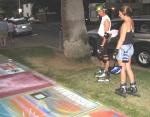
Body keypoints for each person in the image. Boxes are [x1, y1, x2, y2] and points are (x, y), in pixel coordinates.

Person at [113, 6, 140, 97]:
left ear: (124, 14)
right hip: (130, 47)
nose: (119, 15)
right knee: (128, 68)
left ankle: (123, 88)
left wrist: (116, 50)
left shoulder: (125, 24)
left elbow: (122, 39)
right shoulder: (131, 22)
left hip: (123, 49)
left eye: (120, 13)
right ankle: (133, 87)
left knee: (122, 69)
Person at [94, 4, 111, 82]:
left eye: (100, 11)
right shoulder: (103, 18)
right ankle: (102, 71)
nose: (98, 13)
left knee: (105, 57)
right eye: (97, 11)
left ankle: (106, 74)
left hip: (103, 40)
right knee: (100, 56)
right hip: (100, 38)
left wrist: (102, 45)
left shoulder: (106, 20)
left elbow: (106, 34)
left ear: (104, 10)